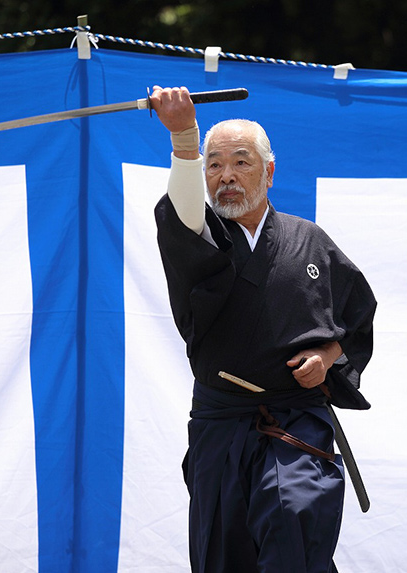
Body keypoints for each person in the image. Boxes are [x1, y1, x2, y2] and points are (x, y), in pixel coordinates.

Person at [149, 85, 377, 573]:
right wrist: (184, 139)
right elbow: (185, 214)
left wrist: (326, 357)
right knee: (225, 554)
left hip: (296, 421)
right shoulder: (200, 240)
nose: (226, 176)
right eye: (214, 165)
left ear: (268, 172)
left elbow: (356, 316)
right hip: (222, 424)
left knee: (294, 515)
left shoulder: (309, 240)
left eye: (240, 162)